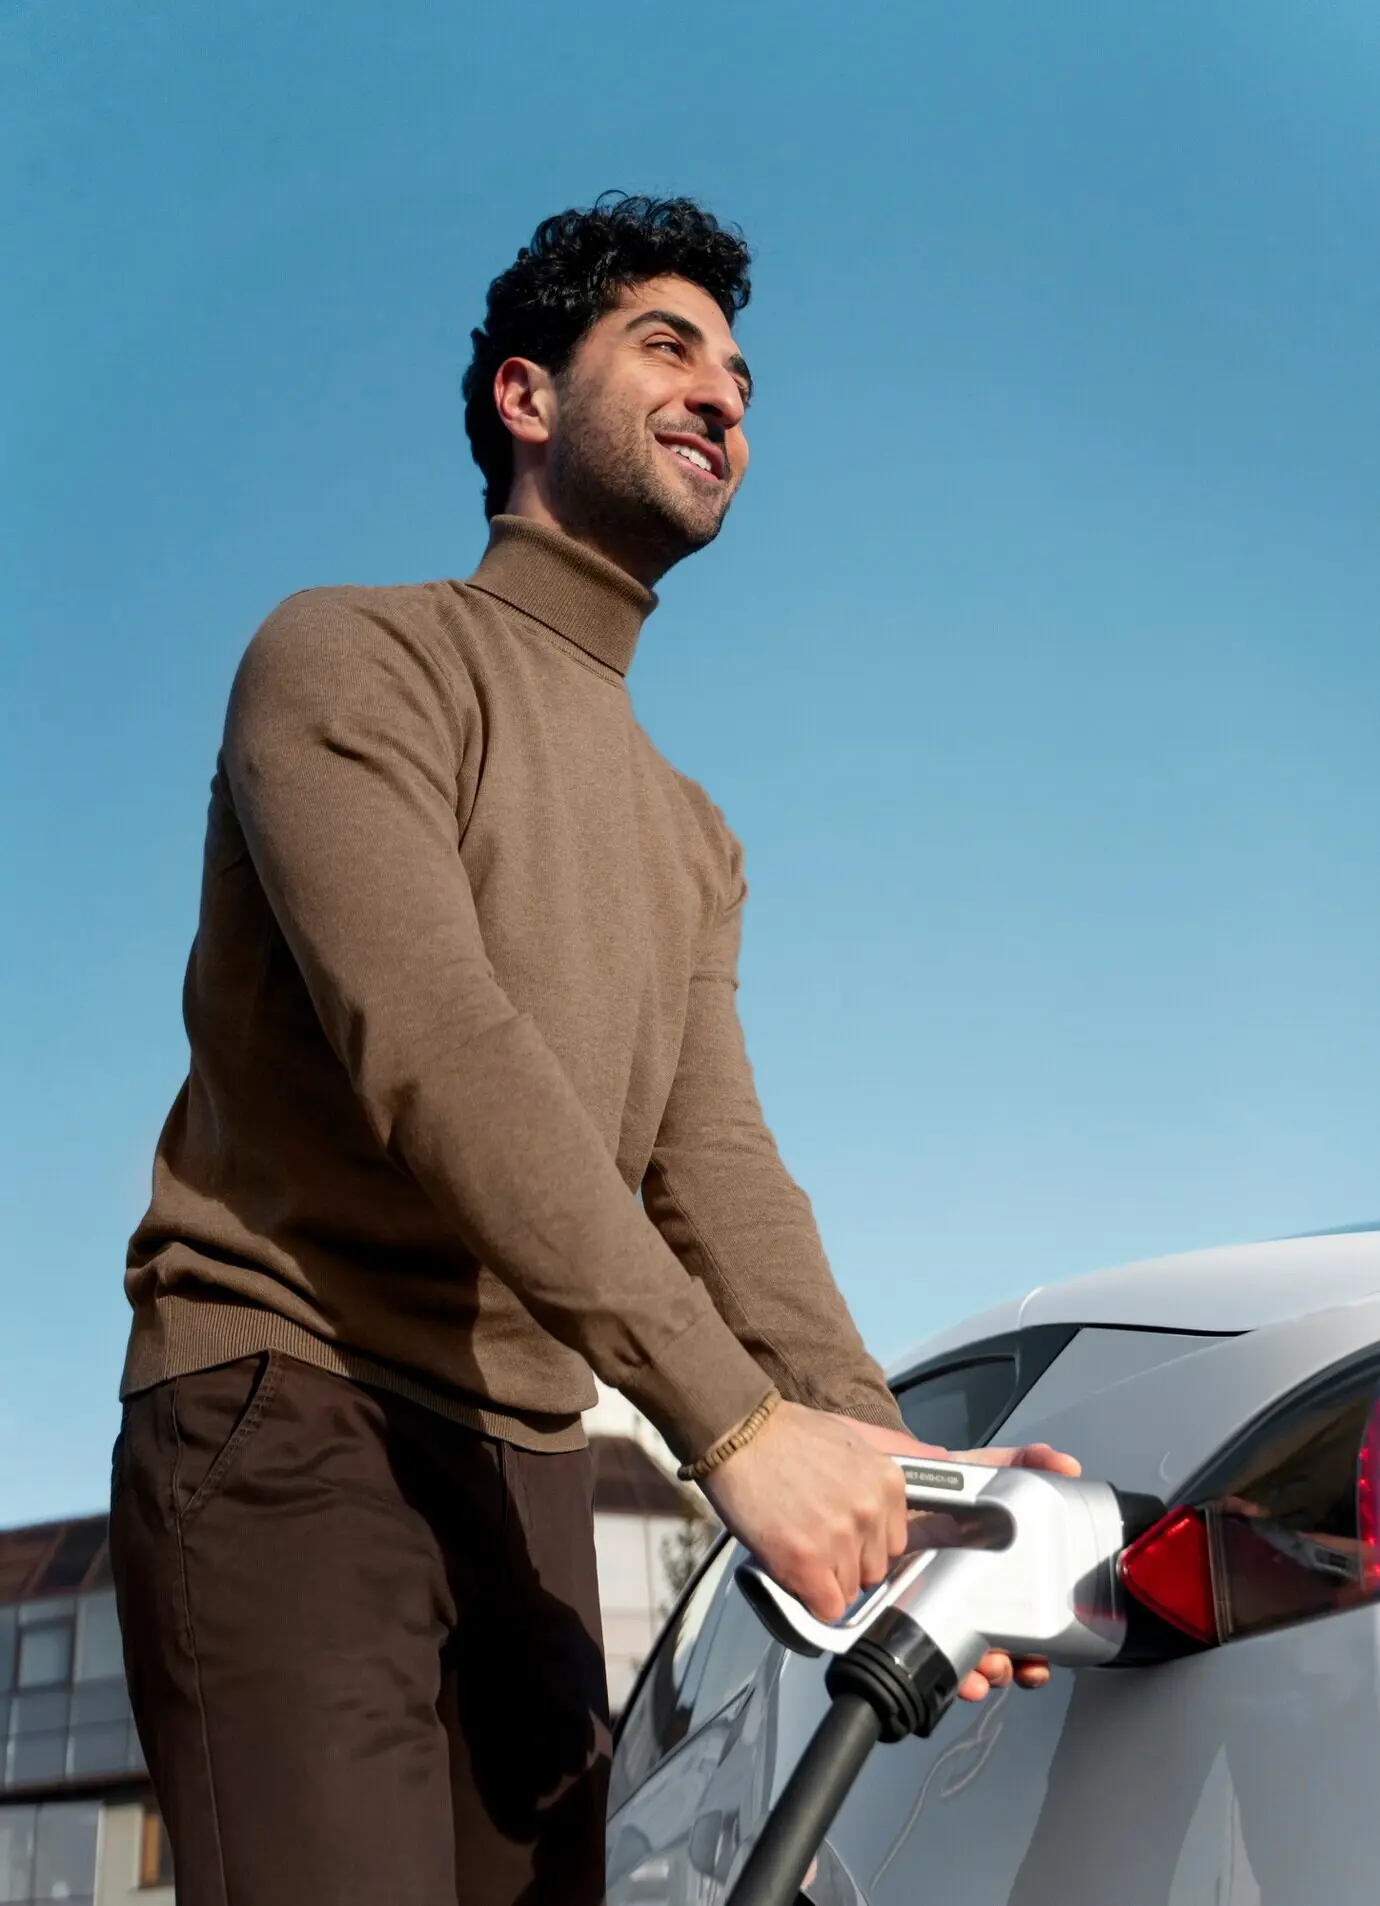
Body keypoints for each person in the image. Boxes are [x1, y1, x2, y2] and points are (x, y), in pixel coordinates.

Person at [109, 193, 1077, 1906]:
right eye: (667, 346)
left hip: (530, 1465)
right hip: (290, 1412)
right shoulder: (347, 656)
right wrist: (735, 1430)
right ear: (525, 396)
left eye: (743, 380)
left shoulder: (690, 831)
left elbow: (720, 1175)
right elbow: (436, 1048)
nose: (722, 397)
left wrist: (901, 1476)